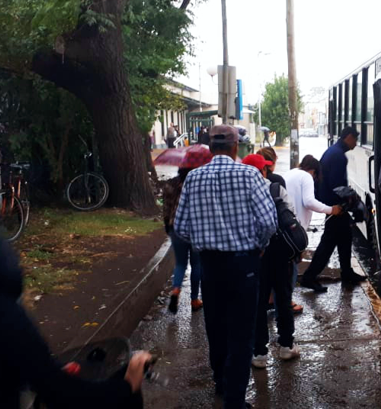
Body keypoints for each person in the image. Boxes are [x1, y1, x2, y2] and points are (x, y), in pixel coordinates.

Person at [173, 125, 277, 409]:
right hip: (244, 264)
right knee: (242, 334)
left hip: (210, 265)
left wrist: (204, 241)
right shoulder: (250, 175)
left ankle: (221, 382)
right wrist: (258, 245)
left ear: (210, 148)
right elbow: (269, 222)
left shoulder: (193, 178)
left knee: (216, 327)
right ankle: (234, 400)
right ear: (235, 147)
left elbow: (180, 227)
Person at [0, 238, 152, 408]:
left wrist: (49, 371)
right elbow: (60, 393)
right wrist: (128, 385)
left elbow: (40, 375)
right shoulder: (8, 317)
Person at [242, 155, 300, 366]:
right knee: (283, 298)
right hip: (280, 252)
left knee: (257, 302)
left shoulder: (241, 192)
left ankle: (259, 353)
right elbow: (292, 215)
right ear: (264, 170)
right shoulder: (276, 189)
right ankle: (286, 346)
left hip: (255, 254)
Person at [300, 126, 366, 293]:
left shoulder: (334, 151)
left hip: (332, 204)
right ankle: (309, 277)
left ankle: (347, 272)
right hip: (335, 206)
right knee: (328, 244)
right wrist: (351, 202)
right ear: (349, 137)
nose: (356, 143)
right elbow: (337, 186)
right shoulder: (338, 156)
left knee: (345, 238)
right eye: (355, 139)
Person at [163, 145, 213, 314]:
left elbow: (167, 207)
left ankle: (176, 290)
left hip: (175, 227)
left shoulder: (171, 184)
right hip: (196, 228)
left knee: (180, 263)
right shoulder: (200, 184)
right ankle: (194, 299)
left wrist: (167, 225)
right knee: (197, 264)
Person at [284, 155, 342, 230]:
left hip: (284, 220)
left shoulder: (290, 173)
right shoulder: (307, 176)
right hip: (295, 226)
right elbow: (309, 202)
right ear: (314, 171)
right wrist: (330, 210)